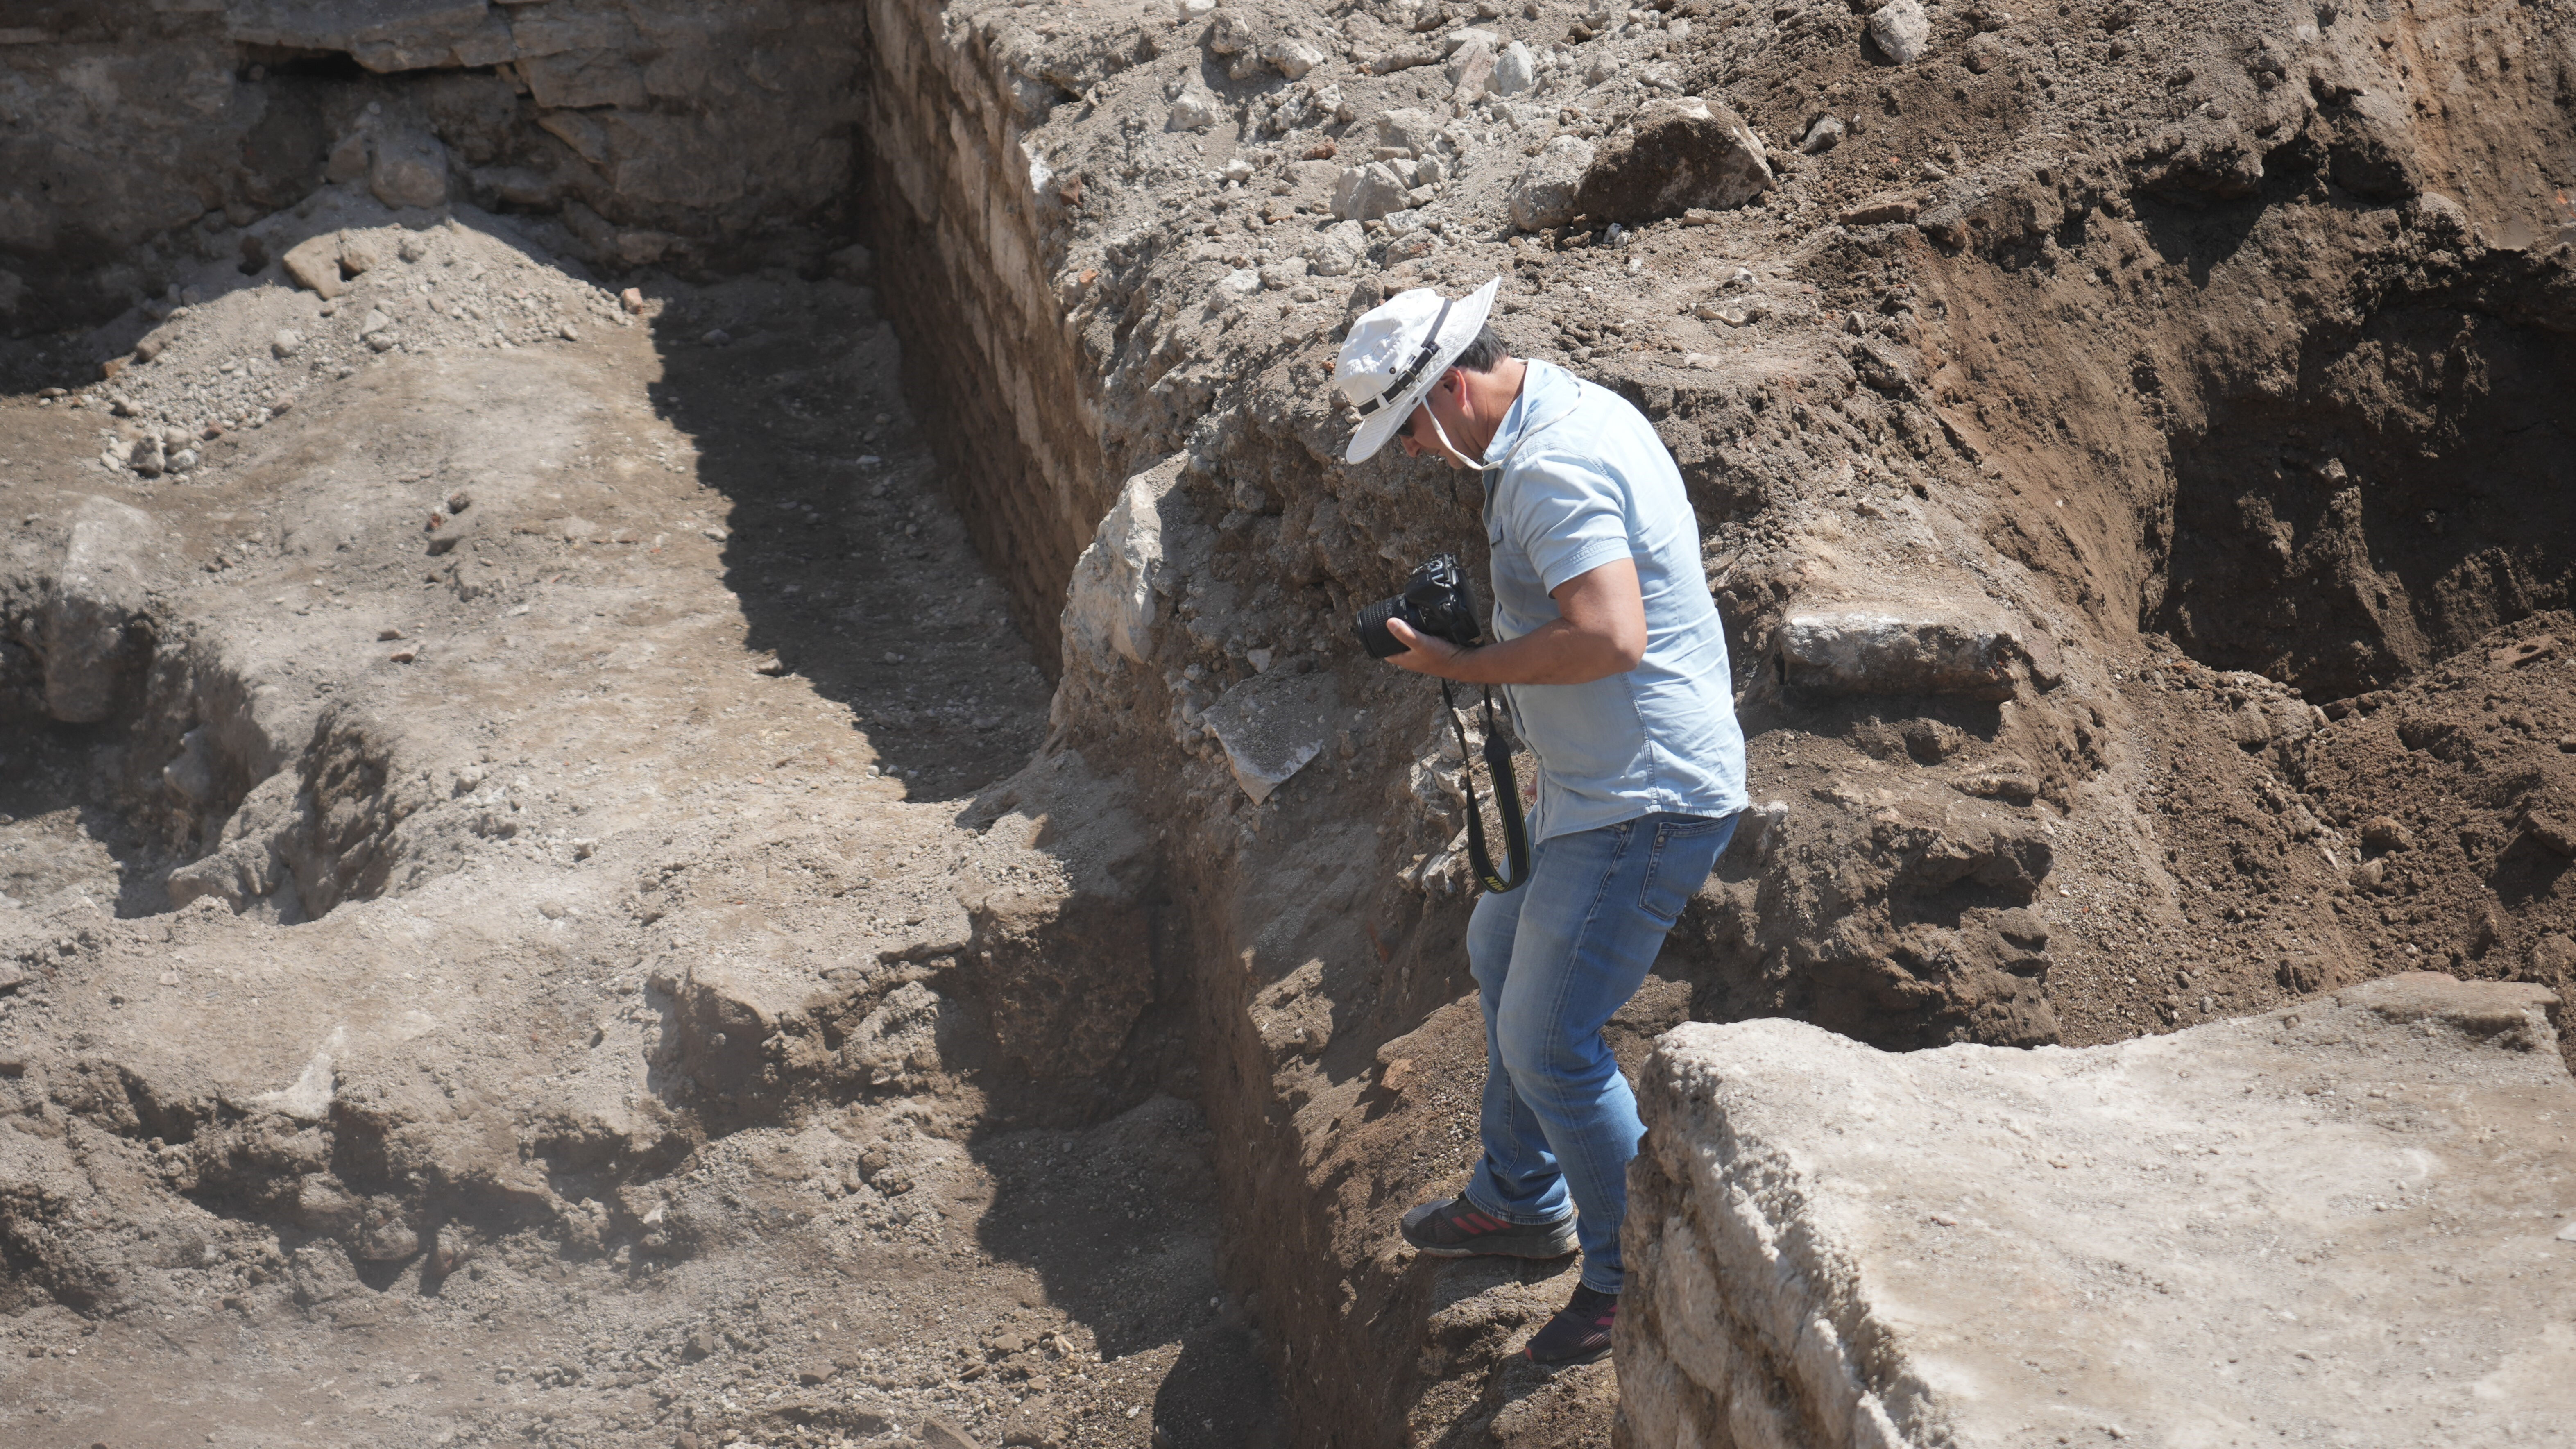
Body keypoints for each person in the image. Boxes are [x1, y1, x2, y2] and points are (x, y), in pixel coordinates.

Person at [1332, 278, 1749, 1366]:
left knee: (1548, 1041)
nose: (1413, 454)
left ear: (1453, 387)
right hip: (1593, 783)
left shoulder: (1550, 466)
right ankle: (1522, 1198)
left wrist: (1460, 663)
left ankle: (1625, 1278)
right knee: (1495, 944)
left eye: (1409, 430)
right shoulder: (1565, 410)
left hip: (1641, 800)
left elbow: (1608, 636)